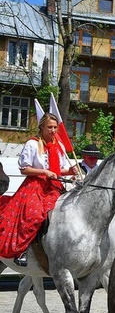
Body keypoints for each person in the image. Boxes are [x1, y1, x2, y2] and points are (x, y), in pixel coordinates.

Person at [0, 113, 77, 267]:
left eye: (55, 127)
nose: (53, 130)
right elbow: (24, 168)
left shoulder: (59, 145)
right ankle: (22, 251)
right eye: (50, 127)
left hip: (54, 186)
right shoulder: (32, 144)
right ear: (42, 127)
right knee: (33, 215)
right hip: (35, 185)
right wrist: (44, 172)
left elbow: (58, 169)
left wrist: (69, 171)